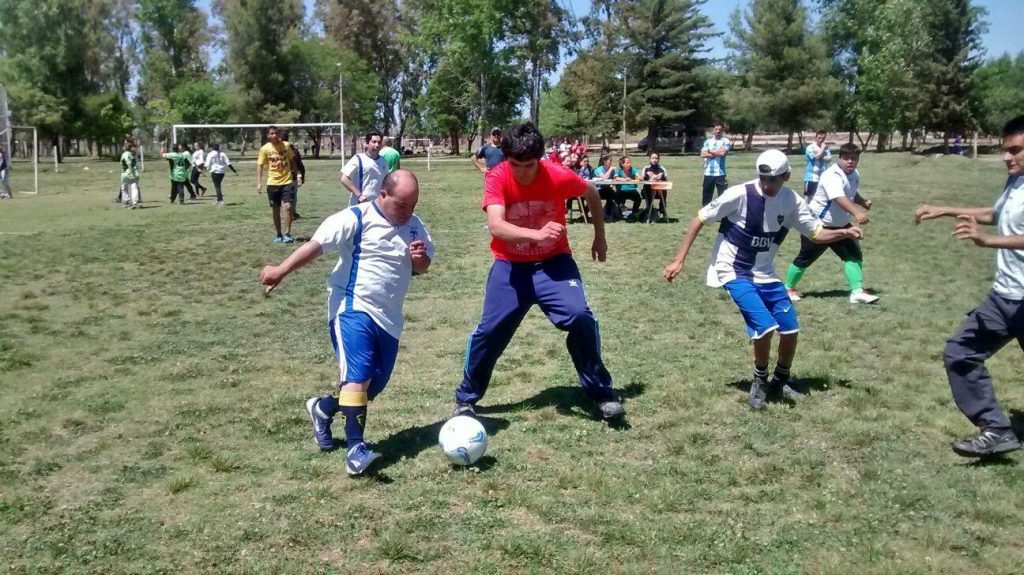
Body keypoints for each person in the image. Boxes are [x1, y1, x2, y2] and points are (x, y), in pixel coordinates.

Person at [260, 170, 434, 475]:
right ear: (383, 195)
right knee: (359, 373)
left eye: (413, 205)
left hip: (389, 318)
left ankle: (323, 408)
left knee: (370, 386)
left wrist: (419, 258)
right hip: (352, 306)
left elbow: (422, 268)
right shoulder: (356, 217)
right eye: (402, 205)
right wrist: (281, 270)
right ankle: (356, 450)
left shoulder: (414, 225)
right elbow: (316, 246)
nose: (408, 212)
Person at [662, 149, 864, 410]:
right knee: (765, 327)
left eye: (773, 180)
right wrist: (679, 260)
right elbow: (699, 219)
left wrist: (844, 233)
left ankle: (780, 380)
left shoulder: (791, 200)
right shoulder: (740, 194)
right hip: (733, 270)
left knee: (790, 329)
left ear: (786, 176)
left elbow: (816, 234)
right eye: (763, 179)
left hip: (765, 273)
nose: (767, 185)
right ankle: (759, 381)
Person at [451, 123, 626, 421]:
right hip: (510, 266)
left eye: (529, 165)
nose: (521, 172)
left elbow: (592, 194)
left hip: (554, 264)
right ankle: (466, 398)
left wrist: (600, 236)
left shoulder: (557, 174)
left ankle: (601, 392)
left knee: (580, 317)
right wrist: (537, 235)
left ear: (540, 159)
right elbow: (496, 226)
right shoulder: (497, 176)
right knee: (490, 331)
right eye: (515, 165)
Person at [913, 115, 1024, 458]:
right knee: (960, 353)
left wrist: (987, 241)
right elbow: (997, 213)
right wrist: (944, 210)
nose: (1006, 157)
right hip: (1003, 297)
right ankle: (997, 429)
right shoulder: (1015, 181)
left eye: (1015, 150)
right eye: (1005, 150)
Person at [784, 143, 878, 304]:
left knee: (853, 255)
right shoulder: (831, 175)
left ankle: (857, 292)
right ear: (839, 158)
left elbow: (849, 192)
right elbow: (838, 197)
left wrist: (861, 201)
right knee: (805, 258)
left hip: (841, 224)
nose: (850, 161)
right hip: (819, 225)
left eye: (854, 158)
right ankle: (786, 289)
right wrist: (857, 213)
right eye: (846, 158)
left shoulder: (854, 174)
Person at [256, 125, 298, 243]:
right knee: (276, 210)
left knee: (288, 207)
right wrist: (259, 183)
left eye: (276, 133)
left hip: (287, 181)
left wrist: (297, 174)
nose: (274, 135)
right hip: (273, 184)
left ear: (279, 134)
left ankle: (287, 234)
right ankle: (278, 234)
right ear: (268, 136)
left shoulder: (286, 145)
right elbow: (260, 166)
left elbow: (292, 159)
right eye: (272, 133)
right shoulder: (264, 149)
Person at [340, 130, 388, 207]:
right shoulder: (358, 159)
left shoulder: (384, 162)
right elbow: (344, 179)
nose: (377, 145)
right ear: (367, 143)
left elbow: (386, 182)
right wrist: (359, 195)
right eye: (374, 142)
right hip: (359, 205)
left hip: (377, 205)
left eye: (379, 142)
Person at [700, 122, 731, 206]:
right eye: (716, 129)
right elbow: (702, 154)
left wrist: (710, 151)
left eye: (720, 129)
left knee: (723, 197)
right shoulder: (708, 141)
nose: (718, 131)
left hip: (720, 173)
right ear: (713, 130)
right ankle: (706, 213)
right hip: (708, 173)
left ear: (723, 130)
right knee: (706, 198)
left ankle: (723, 213)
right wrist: (717, 152)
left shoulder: (725, 141)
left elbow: (723, 153)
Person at [280, 130, 306, 220]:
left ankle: (289, 213)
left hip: (282, 177)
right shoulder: (294, 149)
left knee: (285, 196)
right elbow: (300, 164)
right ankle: (292, 213)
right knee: (293, 196)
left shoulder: (276, 150)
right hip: (292, 176)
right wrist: (303, 175)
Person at [641, 152, 669, 222]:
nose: (654, 160)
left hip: (659, 192)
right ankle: (650, 209)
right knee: (646, 188)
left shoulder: (662, 169)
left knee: (663, 189)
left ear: (659, 159)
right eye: (653, 158)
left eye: (656, 158)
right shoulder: (646, 168)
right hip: (648, 191)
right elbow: (643, 179)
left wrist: (659, 177)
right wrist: (650, 177)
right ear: (650, 159)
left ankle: (662, 209)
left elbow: (665, 180)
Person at [803, 131, 831, 199]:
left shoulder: (827, 148)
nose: (821, 140)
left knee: (821, 198)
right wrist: (822, 150)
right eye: (819, 138)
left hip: (823, 177)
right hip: (811, 177)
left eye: (823, 138)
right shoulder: (810, 147)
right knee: (808, 198)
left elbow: (829, 159)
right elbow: (815, 157)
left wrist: (819, 154)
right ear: (816, 137)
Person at [593, 154, 619, 220]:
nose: (610, 163)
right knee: (611, 193)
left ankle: (610, 213)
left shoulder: (612, 171)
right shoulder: (599, 169)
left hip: (607, 190)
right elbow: (604, 178)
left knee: (614, 194)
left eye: (611, 161)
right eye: (609, 161)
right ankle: (608, 214)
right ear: (604, 162)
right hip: (598, 190)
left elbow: (614, 179)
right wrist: (610, 169)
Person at [119, 142, 140, 209]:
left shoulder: (125, 154)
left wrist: (130, 171)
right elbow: (135, 164)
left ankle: (127, 201)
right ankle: (135, 202)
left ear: (125, 148)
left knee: (124, 188)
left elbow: (129, 163)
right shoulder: (132, 154)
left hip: (126, 173)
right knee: (134, 187)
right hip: (134, 173)